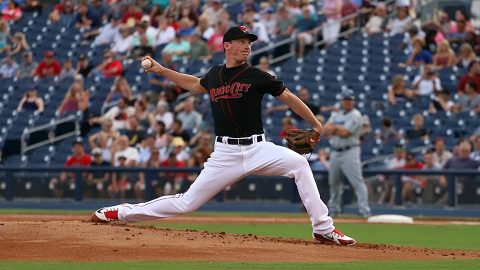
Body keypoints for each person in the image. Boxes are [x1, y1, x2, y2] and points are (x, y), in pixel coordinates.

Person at [91, 25, 356, 246]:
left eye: (249, 42)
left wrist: (316, 123)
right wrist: (162, 71)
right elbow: (194, 84)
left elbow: (288, 97)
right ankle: (121, 212)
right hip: (225, 154)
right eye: (241, 41)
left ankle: (322, 228)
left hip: (258, 149)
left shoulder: (257, 75)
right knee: (187, 203)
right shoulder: (215, 75)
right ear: (226, 45)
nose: (247, 46)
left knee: (299, 164)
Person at [323, 89, 371, 218]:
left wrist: (335, 128)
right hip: (335, 151)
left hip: (350, 151)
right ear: (342, 101)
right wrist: (337, 128)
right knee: (333, 183)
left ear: (353, 101)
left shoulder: (356, 115)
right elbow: (325, 130)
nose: (347, 102)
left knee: (357, 182)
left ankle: (364, 209)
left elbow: (345, 133)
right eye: (345, 99)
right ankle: (334, 209)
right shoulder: (336, 114)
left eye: (350, 99)